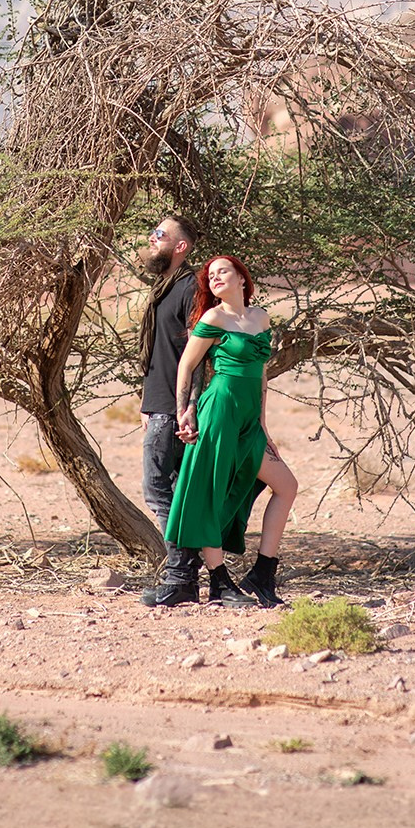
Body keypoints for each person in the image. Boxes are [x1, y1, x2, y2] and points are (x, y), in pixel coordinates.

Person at [164, 254, 298, 608]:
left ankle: (263, 574)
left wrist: (264, 425)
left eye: (223, 271)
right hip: (220, 410)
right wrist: (183, 412)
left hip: (249, 417)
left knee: (286, 486)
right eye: (210, 276)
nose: (214, 278)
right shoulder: (214, 317)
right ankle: (219, 583)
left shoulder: (260, 317)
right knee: (210, 493)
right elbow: (187, 365)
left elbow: (262, 374)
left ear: (242, 277)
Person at [136, 212, 205, 608]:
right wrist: (148, 405)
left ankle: (181, 576)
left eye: (159, 235)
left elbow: (198, 357)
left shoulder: (189, 289)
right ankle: (186, 576)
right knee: (174, 490)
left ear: (180, 247)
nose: (151, 239)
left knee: (160, 490)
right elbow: (161, 355)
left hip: (173, 410)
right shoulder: (165, 286)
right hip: (160, 406)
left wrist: (186, 406)